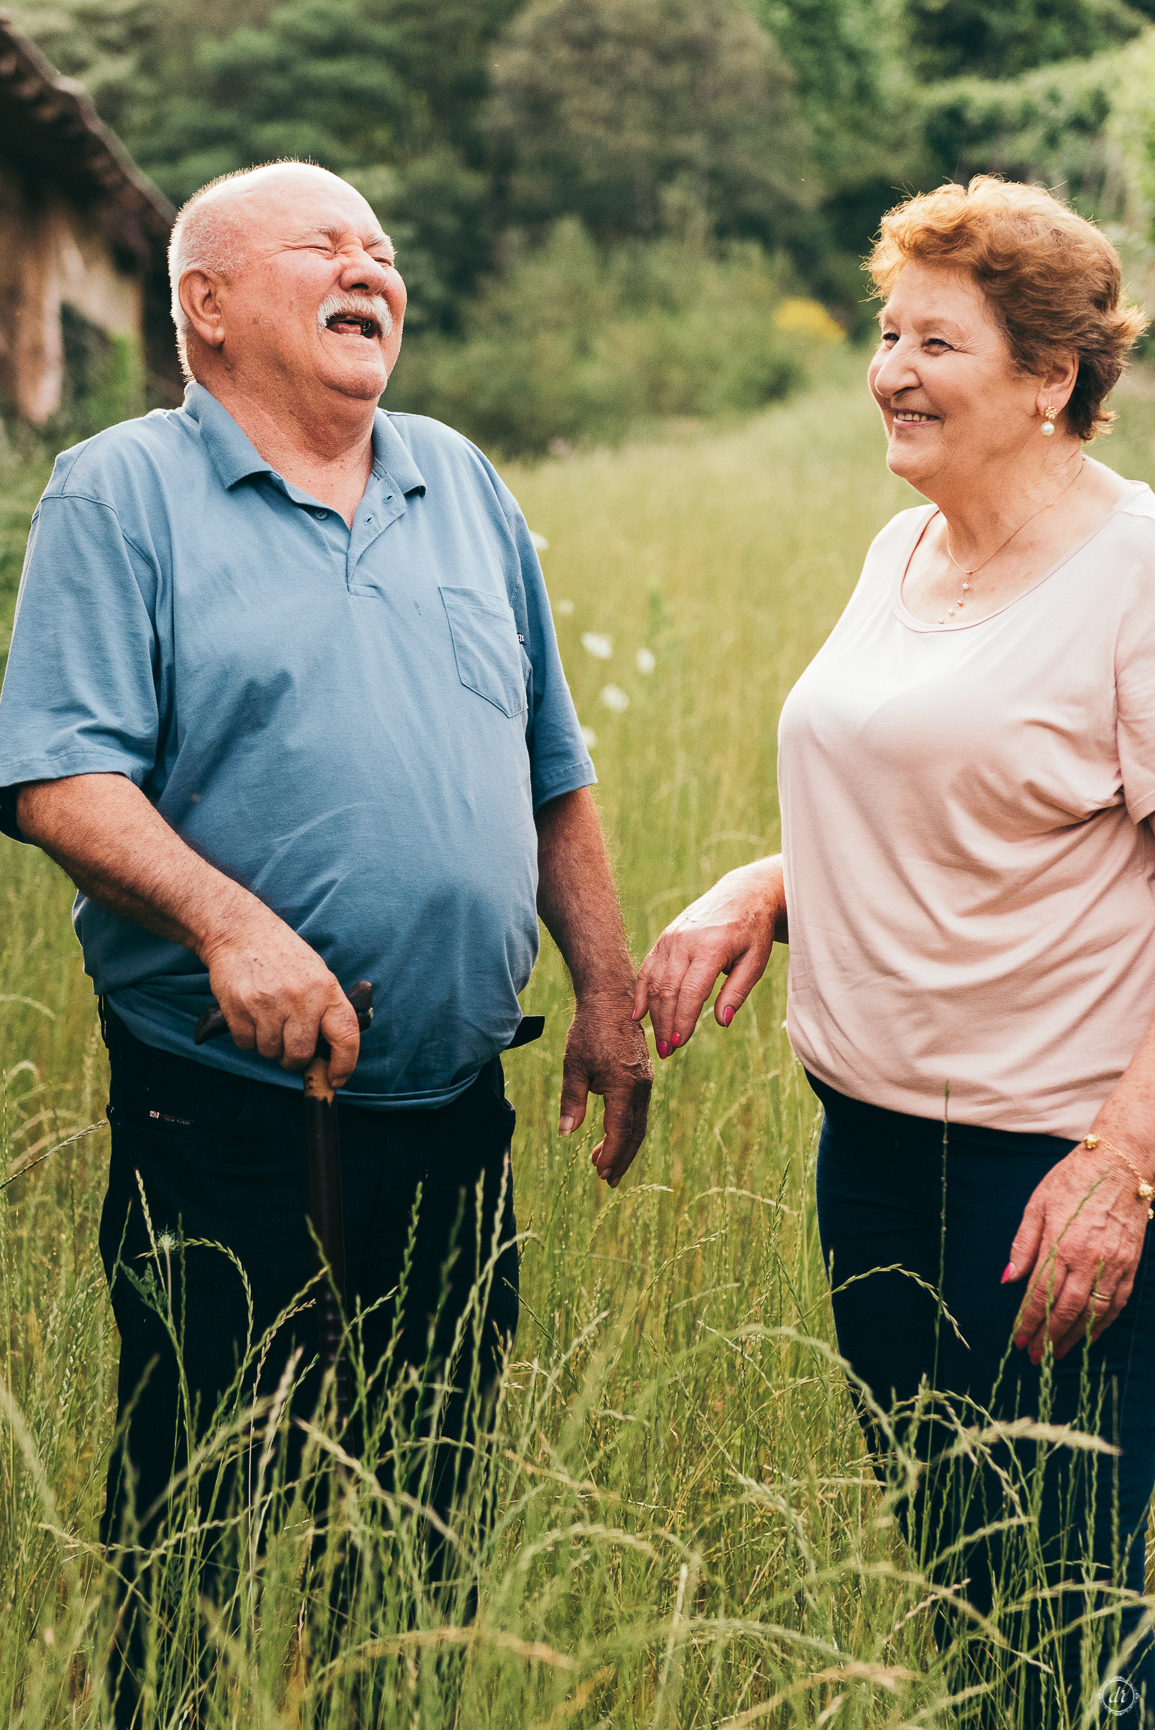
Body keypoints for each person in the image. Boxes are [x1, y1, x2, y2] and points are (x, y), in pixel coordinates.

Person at [0, 160, 652, 1713]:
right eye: (324, 246)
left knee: (424, 1529)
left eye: (383, 248)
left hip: (453, 1109)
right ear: (207, 308)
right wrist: (233, 926)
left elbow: (552, 768)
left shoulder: (460, 479)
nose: (373, 268)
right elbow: (59, 774)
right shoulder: (119, 492)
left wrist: (609, 995)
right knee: (199, 1518)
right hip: (224, 1108)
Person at [633, 176, 1155, 1724]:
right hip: (866, 1156)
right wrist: (767, 879)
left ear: (1050, 376)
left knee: (1074, 1628)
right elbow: (944, 778)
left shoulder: (1137, 573)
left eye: (939, 340)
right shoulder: (901, 550)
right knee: (967, 1591)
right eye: (886, 331)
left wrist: (1124, 1166)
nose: (892, 370)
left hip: (1043, 1179)